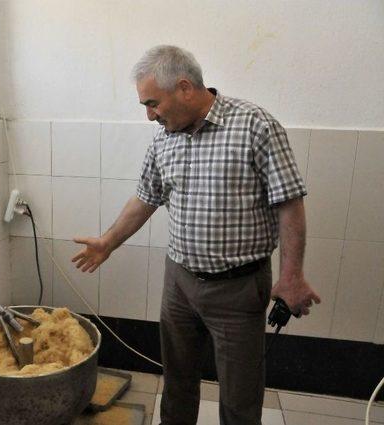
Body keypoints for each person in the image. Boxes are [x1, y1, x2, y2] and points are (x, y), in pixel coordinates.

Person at [72, 45, 321, 425]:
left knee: (240, 394)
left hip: (238, 288)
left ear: (185, 88)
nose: (149, 115)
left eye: (152, 103)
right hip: (180, 282)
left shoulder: (255, 125)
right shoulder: (163, 138)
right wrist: (108, 242)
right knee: (177, 382)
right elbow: (145, 198)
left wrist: (291, 276)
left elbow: (289, 203)